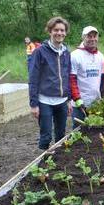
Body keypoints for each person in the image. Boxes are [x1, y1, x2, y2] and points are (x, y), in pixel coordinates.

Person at [28, 17, 72, 150]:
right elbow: (33, 79)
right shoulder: (40, 52)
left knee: (61, 135)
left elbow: (67, 76)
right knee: (46, 136)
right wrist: (34, 104)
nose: (59, 33)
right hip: (45, 101)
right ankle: (42, 165)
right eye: (56, 30)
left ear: (65, 32)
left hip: (62, 101)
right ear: (50, 31)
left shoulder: (66, 52)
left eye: (62, 30)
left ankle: (58, 164)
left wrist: (69, 99)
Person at [70, 26, 104, 128]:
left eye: (95, 36)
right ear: (83, 37)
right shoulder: (75, 55)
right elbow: (72, 80)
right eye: (89, 36)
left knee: (95, 133)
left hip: (96, 103)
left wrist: (102, 97)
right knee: (78, 131)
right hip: (80, 104)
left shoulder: (100, 56)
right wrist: (77, 99)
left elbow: (102, 80)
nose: (92, 39)